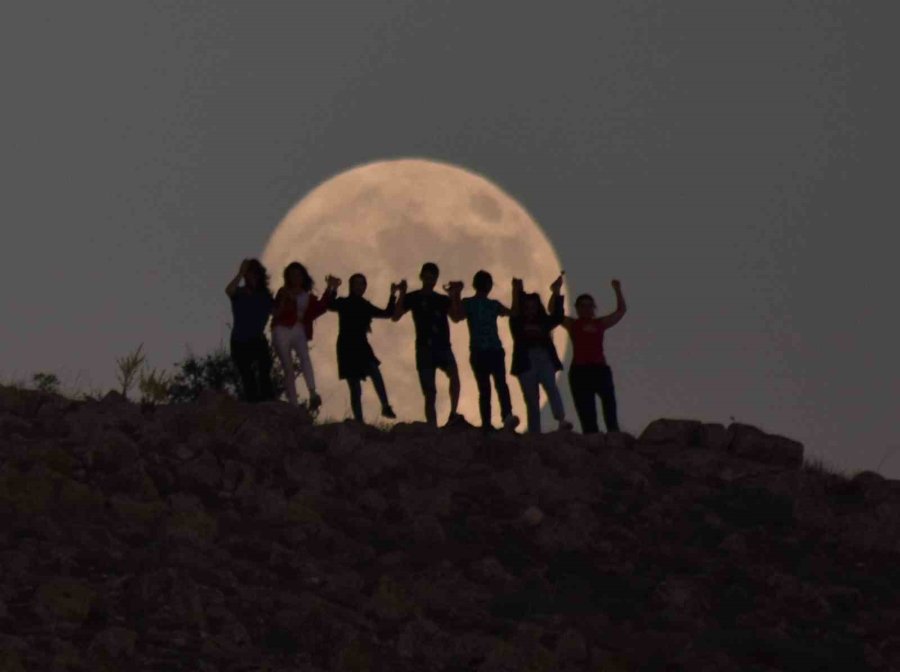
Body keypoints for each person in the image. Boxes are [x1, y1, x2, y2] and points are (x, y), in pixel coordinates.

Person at [392, 262, 463, 427]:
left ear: (436, 279)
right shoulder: (414, 297)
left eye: (433, 276)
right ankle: (432, 426)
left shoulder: (441, 299)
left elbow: (456, 317)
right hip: (424, 348)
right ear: (422, 276)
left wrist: (455, 294)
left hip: (443, 346)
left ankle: (452, 413)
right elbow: (396, 316)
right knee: (430, 392)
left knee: (454, 376)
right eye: (428, 275)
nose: (430, 279)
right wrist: (402, 293)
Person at [448, 270, 519, 432]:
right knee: (491, 387)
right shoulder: (476, 303)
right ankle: (491, 422)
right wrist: (455, 295)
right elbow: (457, 316)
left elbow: (513, 313)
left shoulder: (489, 304)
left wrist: (515, 291)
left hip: (490, 350)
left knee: (492, 387)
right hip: (483, 351)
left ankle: (501, 419)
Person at [329, 273, 399, 423]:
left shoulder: (365, 305)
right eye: (357, 283)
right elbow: (330, 304)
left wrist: (393, 295)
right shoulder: (344, 302)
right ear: (351, 285)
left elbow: (387, 313)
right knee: (355, 387)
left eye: (362, 284)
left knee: (375, 371)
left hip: (361, 345)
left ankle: (385, 405)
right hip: (347, 346)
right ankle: (359, 421)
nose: (360, 287)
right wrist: (333, 288)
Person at [509, 274, 573, 433]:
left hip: (544, 357)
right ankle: (534, 431)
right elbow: (515, 312)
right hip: (525, 361)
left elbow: (557, 317)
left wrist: (556, 291)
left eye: (534, 306)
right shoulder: (517, 322)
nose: (531, 310)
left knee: (551, 387)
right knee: (532, 399)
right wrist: (516, 291)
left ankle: (561, 420)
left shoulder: (543, 321)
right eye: (528, 307)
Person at [271, 262, 339, 410]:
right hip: (281, 328)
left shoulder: (307, 297)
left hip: (299, 328)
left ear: (303, 277)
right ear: (288, 277)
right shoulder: (283, 291)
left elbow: (321, 307)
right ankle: (293, 404)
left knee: (305, 358)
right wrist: (285, 299)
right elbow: (277, 311)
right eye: (292, 275)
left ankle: (313, 393)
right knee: (288, 366)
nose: (296, 277)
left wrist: (331, 287)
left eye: (298, 274)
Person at [562, 279, 627, 433]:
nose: (586, 309)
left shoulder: (600, 323)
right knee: (587, 412)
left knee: (609, 406)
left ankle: (614, 436)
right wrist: (556, 291)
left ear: (594, 308)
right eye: (582, 306)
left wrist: (617, 290)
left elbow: (620, 311)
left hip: (599, 369)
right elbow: (554, 313)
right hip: (580, 371)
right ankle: (592, 440)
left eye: (589, 305)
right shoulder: (573, 324)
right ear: (577, 308)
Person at [225, 258, 275, 402]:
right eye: (249, 274)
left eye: (255, 274)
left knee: (264, 369)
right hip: (239, 340)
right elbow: (228, 290)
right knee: (247, 376)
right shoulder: (239, 293)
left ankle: (268, 401)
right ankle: (253, 404)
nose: (251, 277)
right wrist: (240, 273)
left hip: (257, 339)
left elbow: (277, 312)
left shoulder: (265, 297)